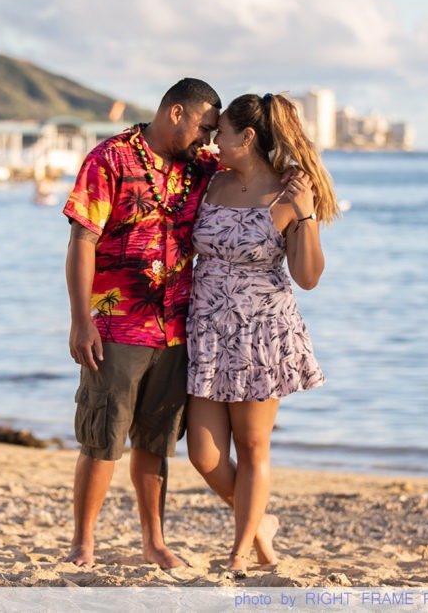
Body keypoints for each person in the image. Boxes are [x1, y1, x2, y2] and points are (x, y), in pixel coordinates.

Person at [62, 78, 222, 569]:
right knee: (102, 439)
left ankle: (153, 542)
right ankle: (83, 543)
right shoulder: (109, 159)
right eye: (203, 127)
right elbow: (81, 242)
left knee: (155, 442)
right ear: (176, 112)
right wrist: (79, 320)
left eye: (215, 132)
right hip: (115, 326)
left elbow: (260, 162)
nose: (208, 139)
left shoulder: (201, 166)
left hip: (177, 329)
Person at [185, 92, 338, 577]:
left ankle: (238, 554)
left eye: (221, 133)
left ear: (246, 137)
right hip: (207, 330)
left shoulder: (289, 191)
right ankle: (261, 525)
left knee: (252, 449)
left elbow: (308, 276)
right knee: (203, 453)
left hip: (260, 334)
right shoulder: (211, 180)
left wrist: (306, 213)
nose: (213, 140)